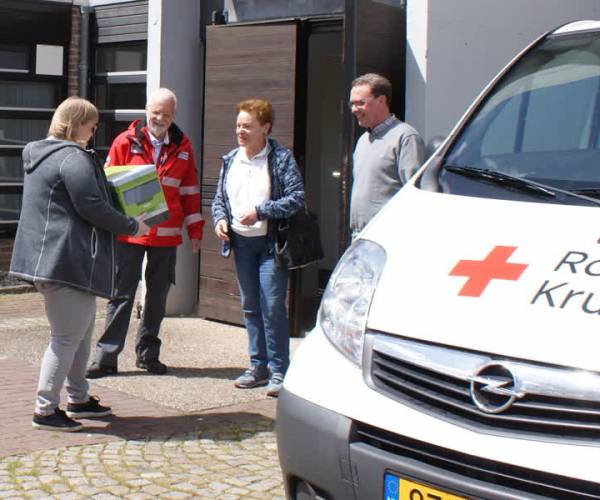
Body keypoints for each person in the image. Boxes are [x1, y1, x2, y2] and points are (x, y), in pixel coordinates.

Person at [9, 96, 149, 432]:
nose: (94, 129)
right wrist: (132, 226)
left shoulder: (41, 154)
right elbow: (91, 206)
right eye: (91, 123)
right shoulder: (72, 158)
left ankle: (79, 397)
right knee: (66, 337)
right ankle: (45, 409)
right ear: (75, 123)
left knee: (81, 333)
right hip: (66, 261)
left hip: (53, 260)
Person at [86, 88, 204, 378]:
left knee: (157, 297)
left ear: (173, 115)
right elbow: (108, 186)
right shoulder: (124, 142)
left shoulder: (184, 147)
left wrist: (196, 228)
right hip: (130, 232)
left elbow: (190, 192)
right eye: (155, 112)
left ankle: (148, 354)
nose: (160, 118)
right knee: (121, 293)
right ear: (146, 110)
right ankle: (106, 357)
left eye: (166, 114)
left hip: (166, 234)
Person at [212, 99, 304, 397]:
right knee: (250, 307)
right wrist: (220, 220)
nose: (240, 131)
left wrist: (261, 211)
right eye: (238, 125)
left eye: (247, 126)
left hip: (270, 245)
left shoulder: (279, 159)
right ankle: (257, 366)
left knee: (273, 307)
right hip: (241, 243)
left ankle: (279, 370)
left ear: (265, 128)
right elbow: (218, 201)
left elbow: (296, 197)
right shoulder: (230, 160)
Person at [349, 73, 425, 238]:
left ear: (381, 101)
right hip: (360, 236)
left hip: (387, 235)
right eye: (352, 104)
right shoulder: (363, 140)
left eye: (360, 103)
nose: (354, 109)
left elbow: (414, 192)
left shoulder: (405, 137)